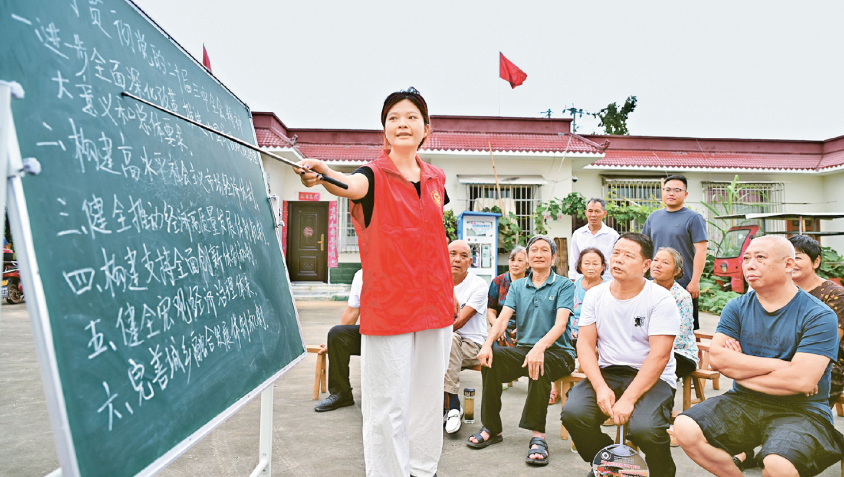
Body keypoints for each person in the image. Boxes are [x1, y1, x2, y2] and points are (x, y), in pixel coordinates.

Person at [299, 87, 453, 477]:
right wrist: (326, 175)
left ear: (426, 128)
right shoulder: (372, 174)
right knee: (387, 402)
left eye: (411, 117)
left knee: (426, 396)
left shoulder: (436, 179)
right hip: (389, 306)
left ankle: (422, 468)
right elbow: (350, 186)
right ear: (384, 131)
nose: (402, 123)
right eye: (393, 118)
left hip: (436, 304)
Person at [674, 236, 844, 477]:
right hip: (744, 400)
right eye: (746, 258)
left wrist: (740, 371)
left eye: (760, 258)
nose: (749, 265)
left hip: (801, 409)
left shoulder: (819, 315)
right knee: (684, 427)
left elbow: (802, 382)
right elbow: (719, 360)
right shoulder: (737, 307)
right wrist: (780, 366)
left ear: (788, 265)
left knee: (778, 465)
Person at [561, 232, 680, 477]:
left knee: (645, 429)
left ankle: (662, 471)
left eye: (628, 255)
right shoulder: (595, 295)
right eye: (616, 253)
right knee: (574, 413)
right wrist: (601, 387)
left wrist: (628, 399)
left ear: (646, 265)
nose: (618, 260)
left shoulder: (660, 299)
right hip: (610, 370)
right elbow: (584, 344)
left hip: (653, 376)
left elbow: (659, 356)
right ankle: (613, 463)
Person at [729, 234, 844, 470]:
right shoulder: (767, 290)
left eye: (799, 257)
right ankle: (751, 447)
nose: (793, 261)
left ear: (815, 262)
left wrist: (743, 365)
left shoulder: (833, 296)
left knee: (798, 398)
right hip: (774, 362)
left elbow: (824, 349)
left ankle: (786, 448)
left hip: (825, 366)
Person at [466, 235, 576, 467]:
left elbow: (561, 324)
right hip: (526, 349)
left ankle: (538, 436)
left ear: (553, 257)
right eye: (533, 250)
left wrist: (539, 347)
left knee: (540, 362)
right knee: (492, 358)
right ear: (527, 257)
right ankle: (492, 429)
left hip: (559, 352)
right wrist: (487, 344)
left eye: (544, 250)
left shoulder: (565, 285)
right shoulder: (517, 286)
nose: (538, 254)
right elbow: (503, 319)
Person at [642, 174, 707, 329]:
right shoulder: (653, 217)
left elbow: (701, 250)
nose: (671, 193)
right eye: (668, 189)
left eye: (677, 190)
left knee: (687, 327)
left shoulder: (694, 218)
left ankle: (689, 354)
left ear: (685, 194)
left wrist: (695, 281)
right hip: (655, 281)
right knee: (653, 325)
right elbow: (644, 248)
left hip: (684, 284)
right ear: (662, 192)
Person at [548, 247, 609, 405]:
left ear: (603, 267)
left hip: (594, 337)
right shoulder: (570, 287)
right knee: (553, 346)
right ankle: (556, 387)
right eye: (586, 263)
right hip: (569, 334)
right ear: (580, 266)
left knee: (592, 351)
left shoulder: (608, 289)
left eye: (595, 263)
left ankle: (579, 384)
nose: (590, 267)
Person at [444, 240, 488, 434]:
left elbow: (459, 322)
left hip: (472, 344)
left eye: (463, 256)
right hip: (444, 342)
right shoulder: (434, 280)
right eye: (452, 254)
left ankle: (452, 406)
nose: (457, 259)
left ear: (470, 262)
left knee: (449, 339)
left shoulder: (479, 285)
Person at [314, 269, 363, 412]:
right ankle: (341, 393)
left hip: (395, 333)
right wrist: (333, 344)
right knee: (337, 335)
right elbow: (352, 311)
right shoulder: (361, 275)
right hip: (369, 334)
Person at [649, 247, 699, 380]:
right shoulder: (643, 289)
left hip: (679, 353)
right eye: (655, 260)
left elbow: (680, 337)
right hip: (647, 351)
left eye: (665, 262)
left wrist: (652, 348)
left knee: (648, 371)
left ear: (677, 271)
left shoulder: (682, 296)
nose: (658, 265)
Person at [487, 245, 528, 346]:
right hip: (501, 326)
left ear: (528, 265)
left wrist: (525, 329)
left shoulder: (532, 283)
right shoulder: (498, 282)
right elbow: (491, 310)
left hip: (526, 327)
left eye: (519, 260)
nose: (515, 264)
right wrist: (498, 327)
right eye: (512, 260)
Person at [569, 198, 618, 280]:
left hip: (606, 280)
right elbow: (574, 258)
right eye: (590, 211)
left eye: (597, 211)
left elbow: (616, 259)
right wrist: (572, 279)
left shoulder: (613, 235)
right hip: (583, 280)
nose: (593, 215)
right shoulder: (578, 234)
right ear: (586, 213)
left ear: (604, 214)